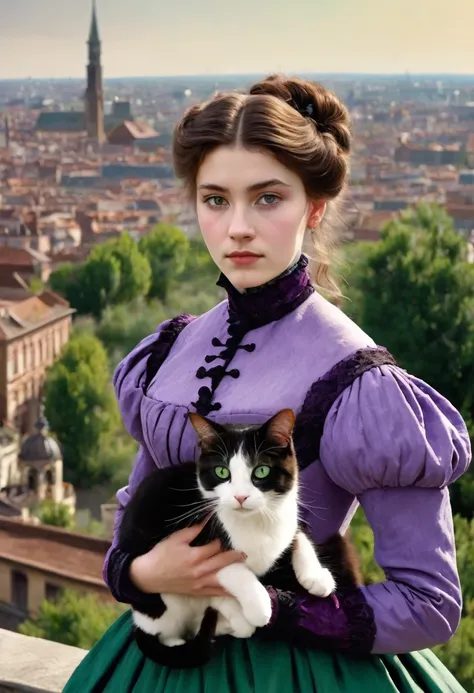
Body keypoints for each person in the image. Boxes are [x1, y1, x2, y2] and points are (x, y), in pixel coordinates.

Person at [64, 74, 471, 693]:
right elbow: (129, 531)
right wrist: (144, 572)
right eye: (216, 199)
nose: (237, 229)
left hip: (298, 671)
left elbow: (429, 602)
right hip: (159, 653)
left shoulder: (365, 384)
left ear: (314, 206)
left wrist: (274, 606)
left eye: (267, 198)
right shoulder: (169, 352)